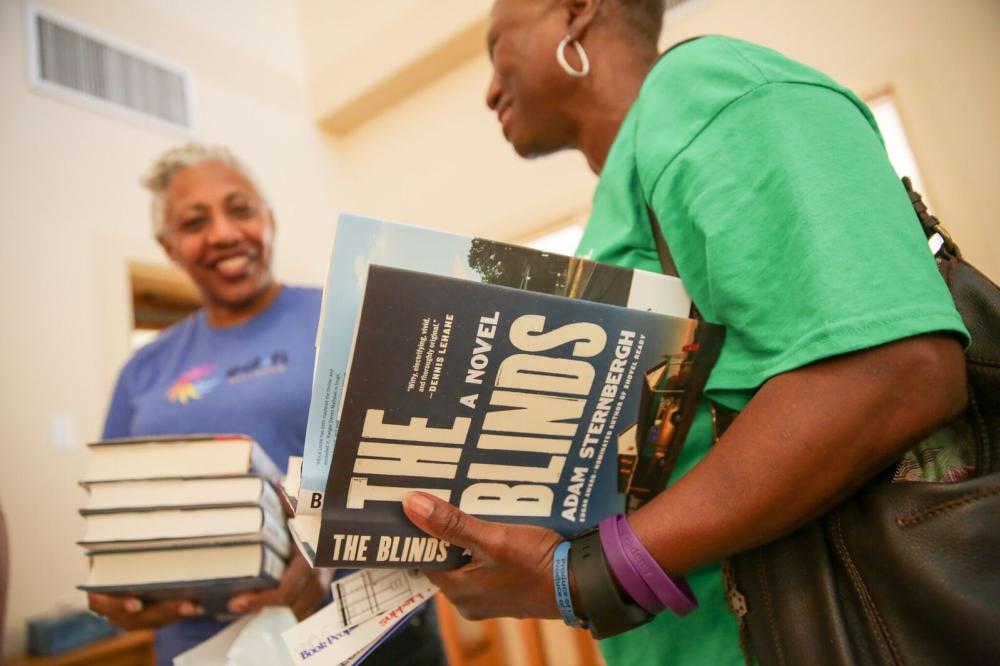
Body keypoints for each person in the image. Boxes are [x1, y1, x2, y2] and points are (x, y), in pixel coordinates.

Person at [401, 1, 969, 665]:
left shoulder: (702, 89)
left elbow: (894, 370)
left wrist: (586, 573)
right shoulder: (625, 191)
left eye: (498, 48)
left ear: (577, 13)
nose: (491, 88)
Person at [90, 144, 446, 665]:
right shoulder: (143, 371)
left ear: (269, 219)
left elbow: (426, 463)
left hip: (370, 638)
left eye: (240, 210)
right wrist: (112, 592)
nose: (223, 233)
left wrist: (322, 556)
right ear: (168, 247)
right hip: (204, 651)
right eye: (194, 222)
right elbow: (114, 521)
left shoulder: (346, 316)